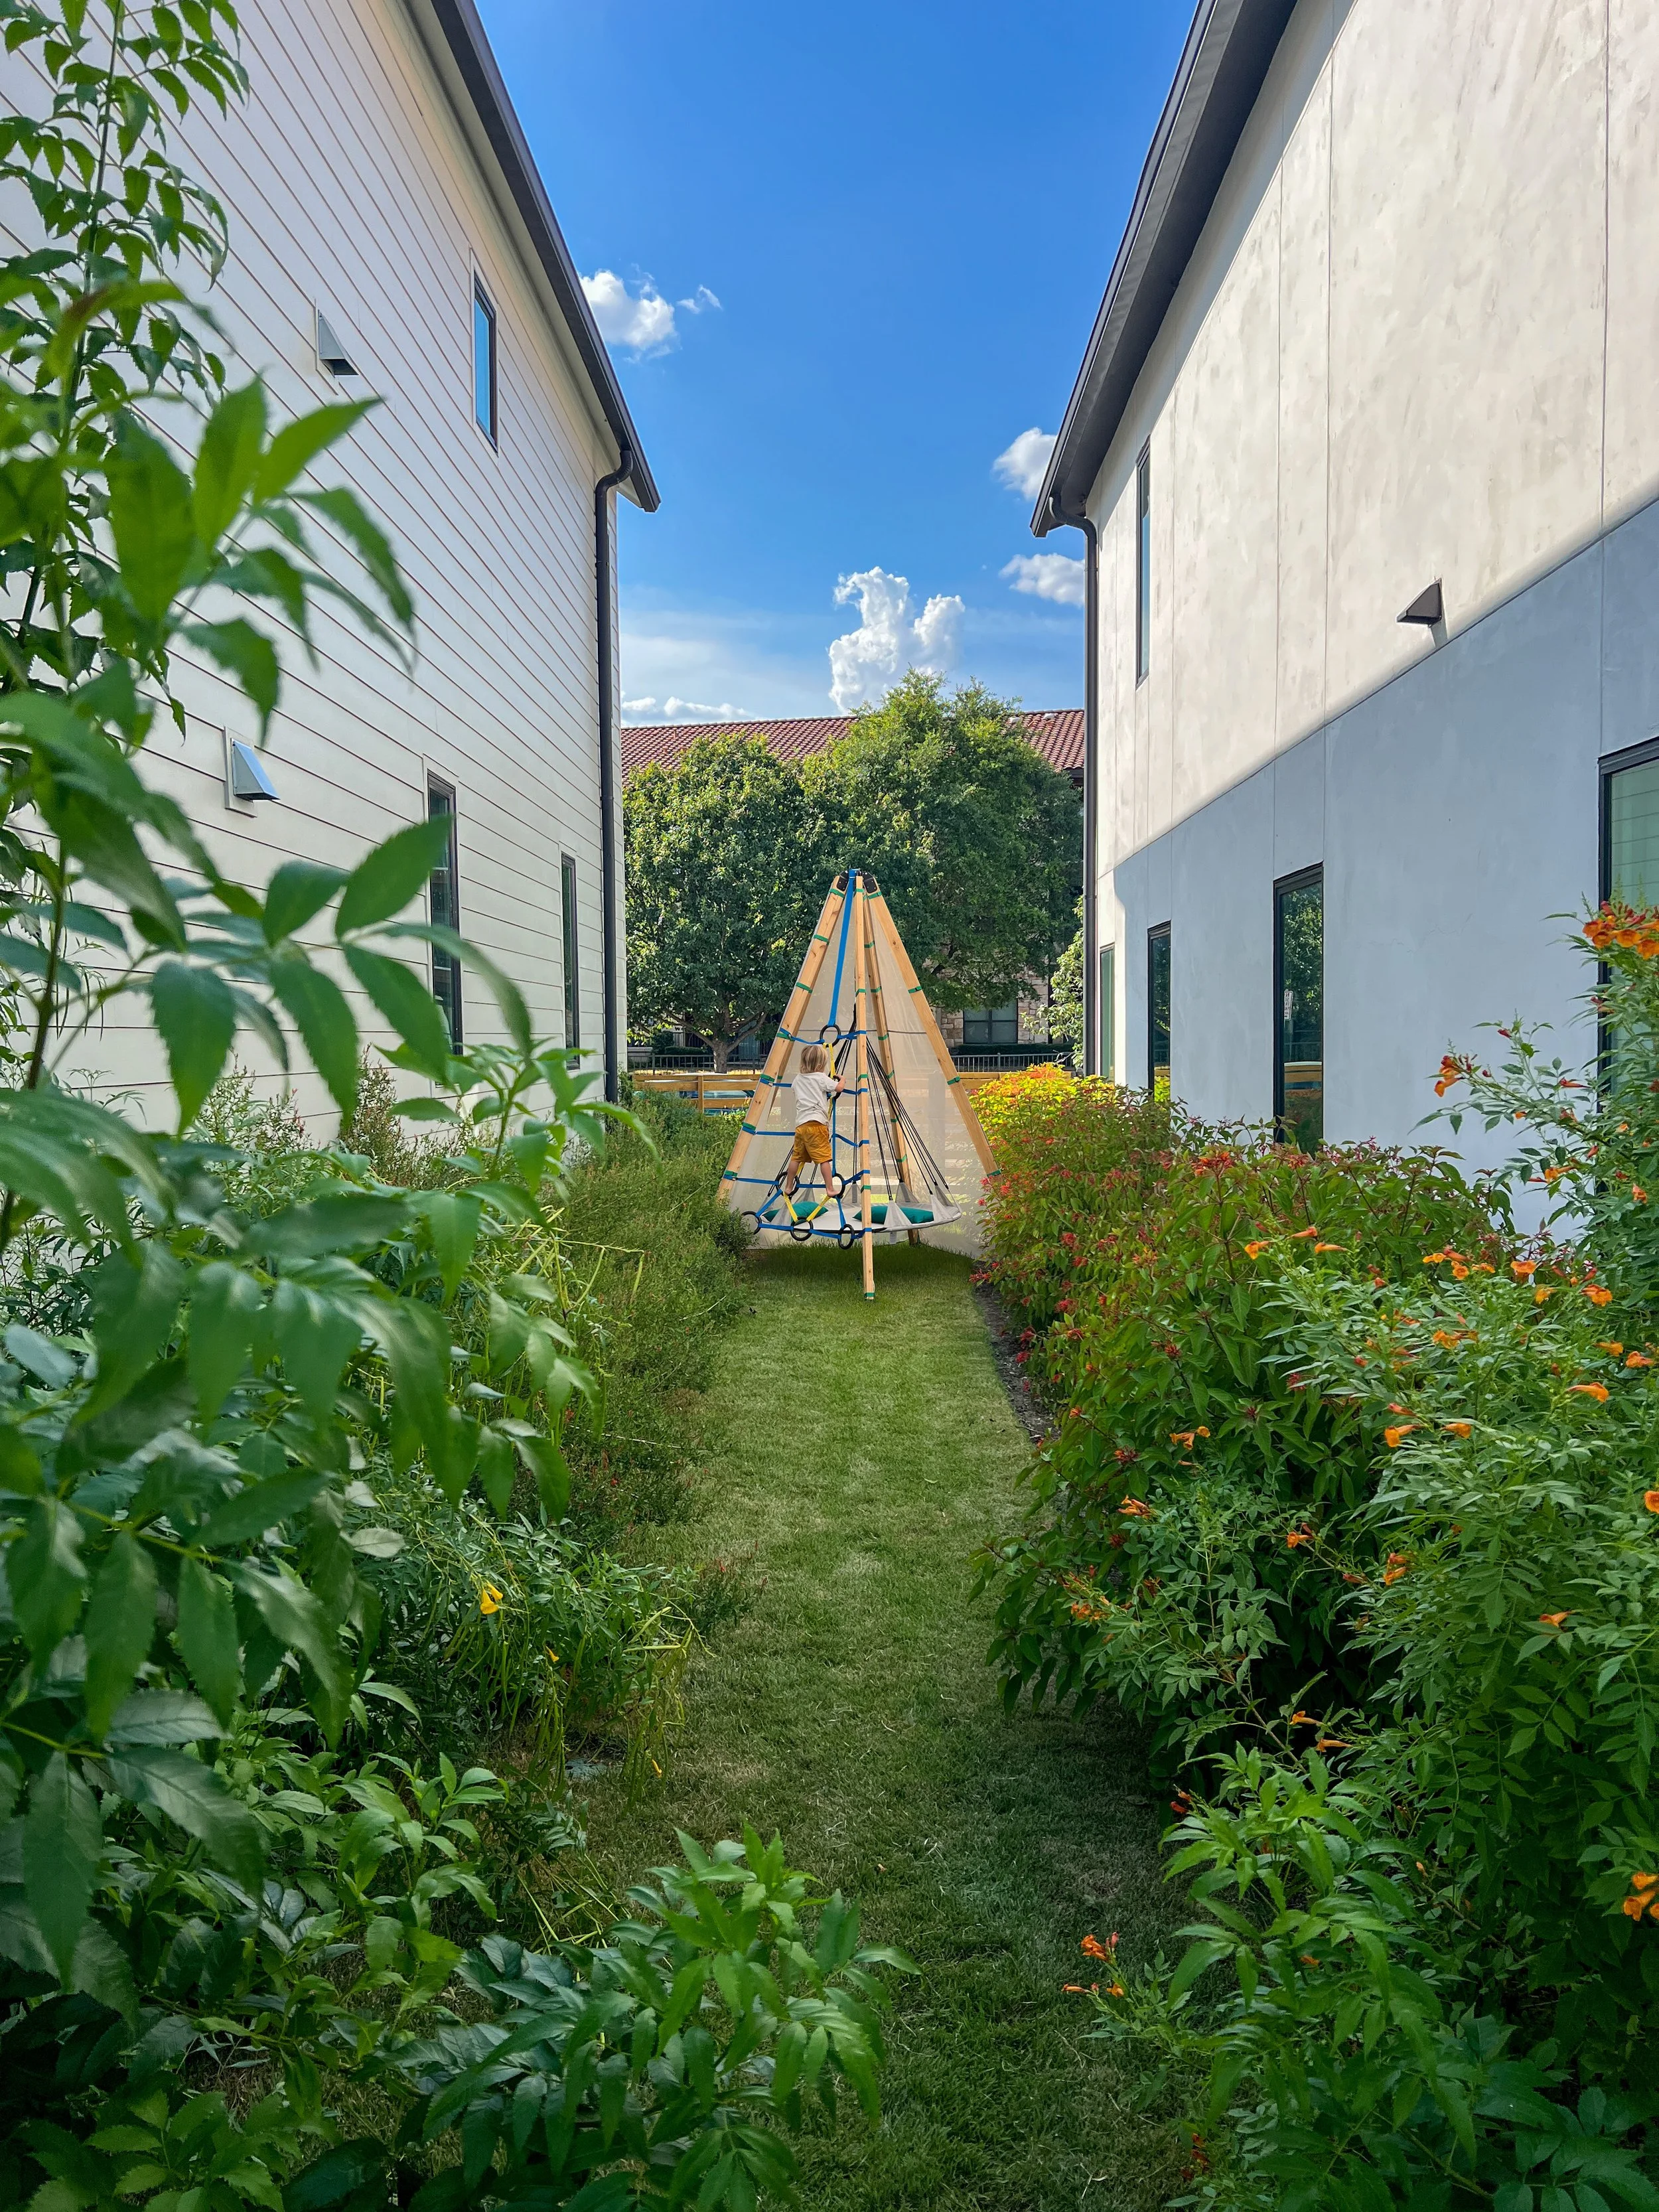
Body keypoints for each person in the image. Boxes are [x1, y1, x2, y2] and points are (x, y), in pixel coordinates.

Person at [783, 1041, 843, 1207]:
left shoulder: (798, 1079)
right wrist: (842, 1080)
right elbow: (838, 1088)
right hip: (817, 1125)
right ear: (819, 1065)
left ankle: (788, 1186)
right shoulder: (821, 1078)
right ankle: (830, 1188)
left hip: (801, 1125)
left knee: (796, 1157)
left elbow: (796, 1090)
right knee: (824, 1159)